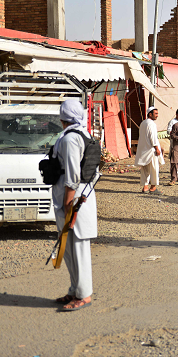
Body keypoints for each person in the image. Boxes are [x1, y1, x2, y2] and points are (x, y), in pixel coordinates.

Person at [52, 100, 98, 311]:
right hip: (77, 196)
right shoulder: (82, 134)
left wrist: (68, 205)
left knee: (78, 248)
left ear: (63, 118)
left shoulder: (70, 139)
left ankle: (84, 294)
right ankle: (74, 290)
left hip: (74, 198)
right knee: (69, 248)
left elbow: (72, 176)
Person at [135, 106, 164, 194]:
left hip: (144, 150)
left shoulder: (143, 123)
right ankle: (153, 187)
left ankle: (145, 187)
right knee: (154, 169)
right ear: (150, 114)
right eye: (155, 114)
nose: (157, 116)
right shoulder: (151, 124)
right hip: (151, 150)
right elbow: (153, 137)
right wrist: (156, 148)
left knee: (145, 170)